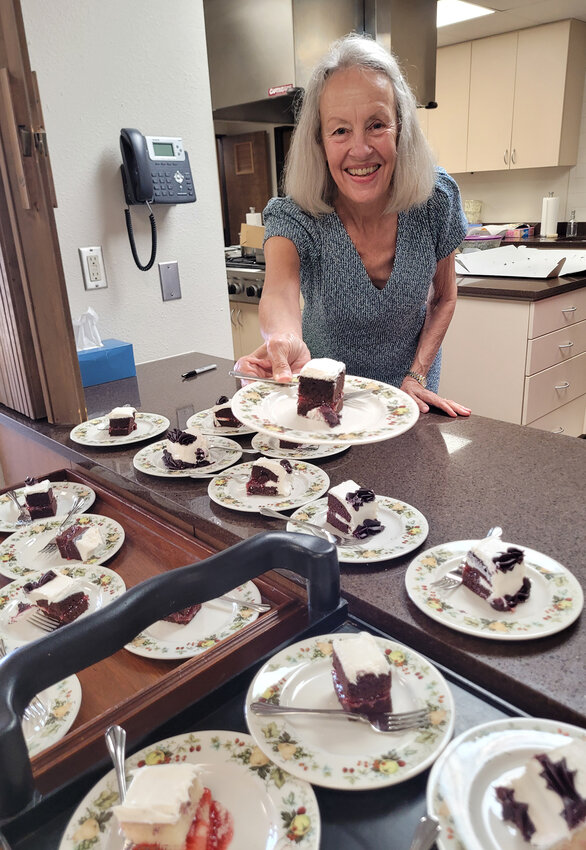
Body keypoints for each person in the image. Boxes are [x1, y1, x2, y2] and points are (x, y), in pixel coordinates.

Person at [235, 33, 471, 418]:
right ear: (320, 141)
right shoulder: (297, 215)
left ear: (401, 128)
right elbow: (280, 291)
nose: (360, 150)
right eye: (340, 130)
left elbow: (444, 297)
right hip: (323, 408)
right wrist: (284, 338)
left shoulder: (435, 198)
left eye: (376, 125)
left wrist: (417, 374)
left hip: (409, 400)